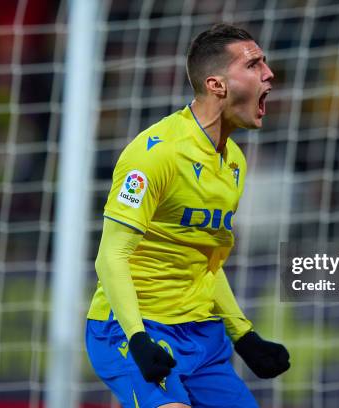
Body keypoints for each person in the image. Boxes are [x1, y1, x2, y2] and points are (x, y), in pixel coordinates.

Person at [85, 23, 290, 408]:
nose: (268, 73)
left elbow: (204, 261)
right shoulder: (155, 154)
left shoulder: (234, 163)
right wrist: (138, 339)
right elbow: (110, 256)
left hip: (200, 334)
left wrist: (243, 335)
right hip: (131, 329)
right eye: (254, 64)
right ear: (217, 85)